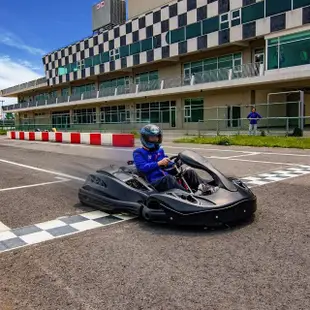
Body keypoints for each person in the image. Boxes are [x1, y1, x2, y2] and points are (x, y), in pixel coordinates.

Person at [133, 124, 216, 194]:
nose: (155, 139)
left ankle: (206, 188)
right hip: (153, 182)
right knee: (169, 179)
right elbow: (142, 168)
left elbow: (166, 163)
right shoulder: (138, 152)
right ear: (145, 138)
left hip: (165, 176)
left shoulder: (159, 150)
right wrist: (159, 163)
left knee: (189, 172)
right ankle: (189, 196)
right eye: (152, 137)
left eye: (156, 137)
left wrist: (176, 163)